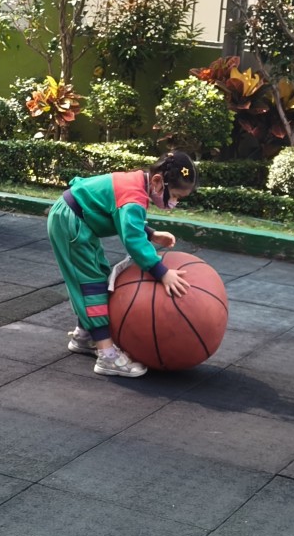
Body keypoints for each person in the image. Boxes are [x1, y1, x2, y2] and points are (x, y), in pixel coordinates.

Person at [48, 151, 199, 377]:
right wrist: (161, 272)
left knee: (98, 274)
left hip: (77, 219)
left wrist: (152, 234)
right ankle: (107, 356)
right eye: (175, 196)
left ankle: (85, 335)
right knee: (91, 284)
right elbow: (133, 240)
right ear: (158, 181)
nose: (174, 203)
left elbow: (118, 214)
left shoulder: (137, 184)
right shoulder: (134, 197)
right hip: (71, 221)